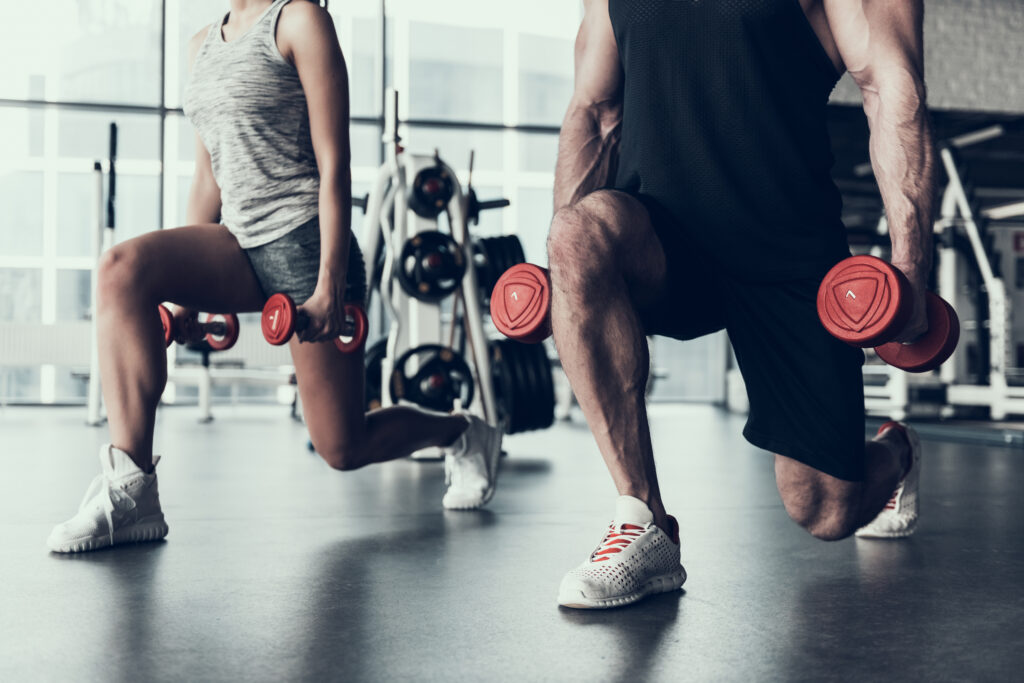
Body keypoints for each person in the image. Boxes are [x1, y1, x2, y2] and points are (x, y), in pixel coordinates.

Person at [48, 0, 502, 554]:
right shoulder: (201, 45)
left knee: (342, 446)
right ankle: (133, 488)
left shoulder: (299, 21)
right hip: (236, 242)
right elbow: (208, 178)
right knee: (121, 270)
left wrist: (330, 284)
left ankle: (461, 431)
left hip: (304, 244)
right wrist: (186, 300)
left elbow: (334, 163)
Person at [552, 0, 935, 608]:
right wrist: (564, 273)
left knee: (823, 507)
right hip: (660, 238)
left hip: (789, 254)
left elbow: (889, 86)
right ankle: (643, 520)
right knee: (575, 234)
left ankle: (897, 453)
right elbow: (596, 112)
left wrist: (910, 267)